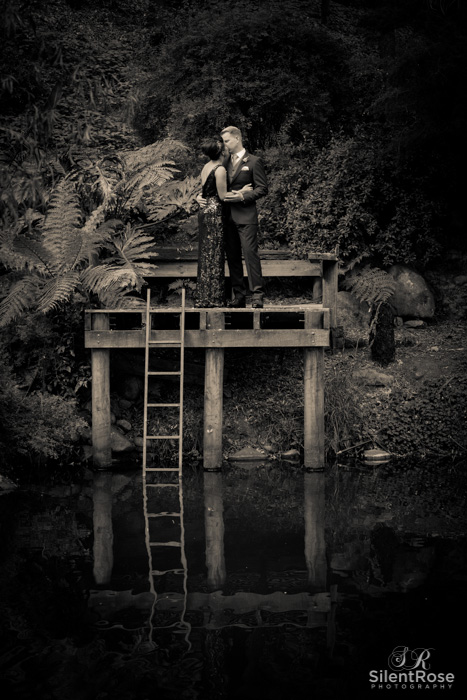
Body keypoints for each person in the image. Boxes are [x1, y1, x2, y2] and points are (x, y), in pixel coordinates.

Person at [198, 126, 268, 308]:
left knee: (251, 255)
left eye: (227, 141)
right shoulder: (223, 162)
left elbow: (262, 188)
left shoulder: (254, 161)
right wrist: (200, 196)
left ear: (237, 138)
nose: (225, 145)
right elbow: (211, 184)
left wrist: (243, 196)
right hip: (226, 218)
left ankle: (257, 295)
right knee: (233, 257)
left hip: (246, 217)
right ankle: (239, 296)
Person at [195, 138, 252, 307]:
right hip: (214, 213)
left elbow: (203, 190)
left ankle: (206, 296)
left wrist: (198, 197)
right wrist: (242, 191)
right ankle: (213, 298)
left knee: (207, 254)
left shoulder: (206, 167)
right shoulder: (220, 170)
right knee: (214, 255)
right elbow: (223, 196)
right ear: (222, 152)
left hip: (206, 211)